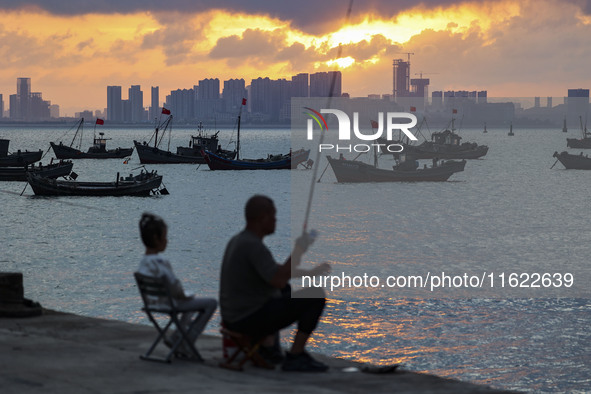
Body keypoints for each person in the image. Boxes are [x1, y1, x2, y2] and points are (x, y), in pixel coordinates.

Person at [219, 195, 329, 372]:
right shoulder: (252, 246)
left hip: (234, 317)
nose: (275, 221)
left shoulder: (241, 240)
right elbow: (278, 279)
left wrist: (309, 272)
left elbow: (277, 272)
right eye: (273, 216)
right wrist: (299, 249)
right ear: (262, 218)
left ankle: (268, 348)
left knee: (286, 289)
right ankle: (295, 356)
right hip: (246, 320)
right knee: (315, 295)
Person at [138, 212, 217, 358]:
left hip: (153, 303)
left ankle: (177, 338)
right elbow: (174, 287)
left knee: (189, 300)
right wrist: (182, 295)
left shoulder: (143, 263)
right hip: (169, 303)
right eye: (165, 237)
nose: (167, 241)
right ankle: (186, 342)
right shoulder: (161, 263)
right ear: (157, 238)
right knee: (211, 303)